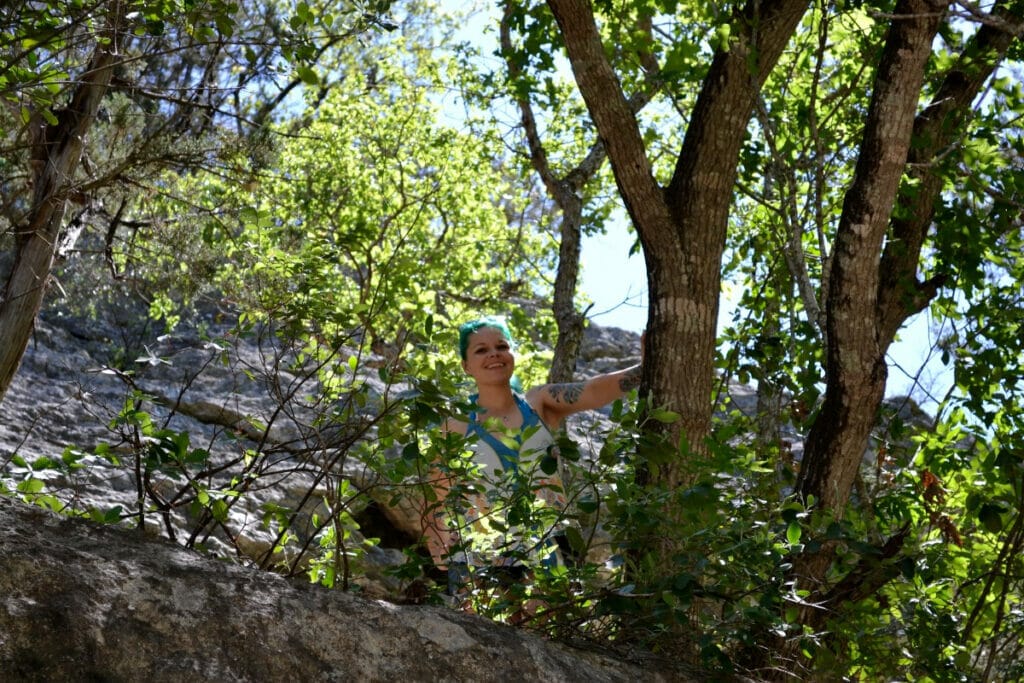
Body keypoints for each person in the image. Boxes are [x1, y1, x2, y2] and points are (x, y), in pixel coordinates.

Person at [421, 316, 642, 607]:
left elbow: (593, 391)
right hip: (479, 554)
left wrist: (644, 368)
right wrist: (438, 544)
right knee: (481, 642)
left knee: (544, 640)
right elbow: (436, 493)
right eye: (481, 350)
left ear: (512, 354)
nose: (494, 354)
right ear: (466, 366)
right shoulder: (455, 426)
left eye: (501, 346)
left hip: (547, 548)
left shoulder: (539, 402)